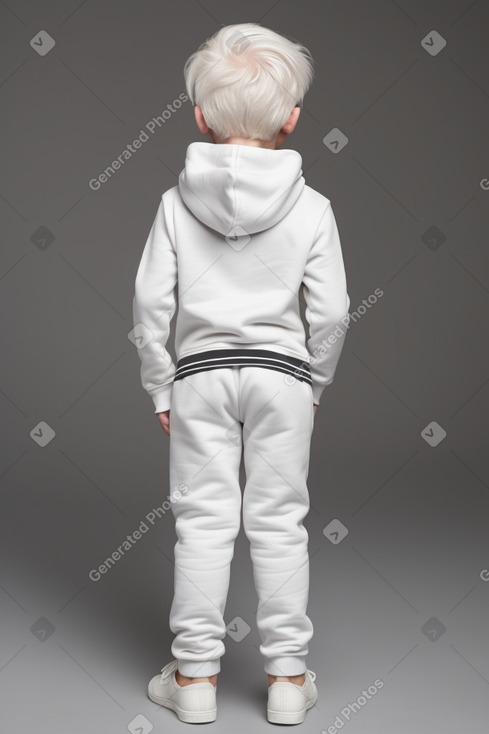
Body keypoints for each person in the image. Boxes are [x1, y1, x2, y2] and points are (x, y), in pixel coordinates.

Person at [132, 22, 350, 725]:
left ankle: (193, 680)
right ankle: (287, 679)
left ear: (199, 118)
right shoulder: (312, 207)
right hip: (281, 378)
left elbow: (147, 306)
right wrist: (312, 380)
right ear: (291, 119)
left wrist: (159, 382)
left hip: (198, 378)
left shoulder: (173, 204)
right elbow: (334, 313)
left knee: (201, 525)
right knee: (280, 522)